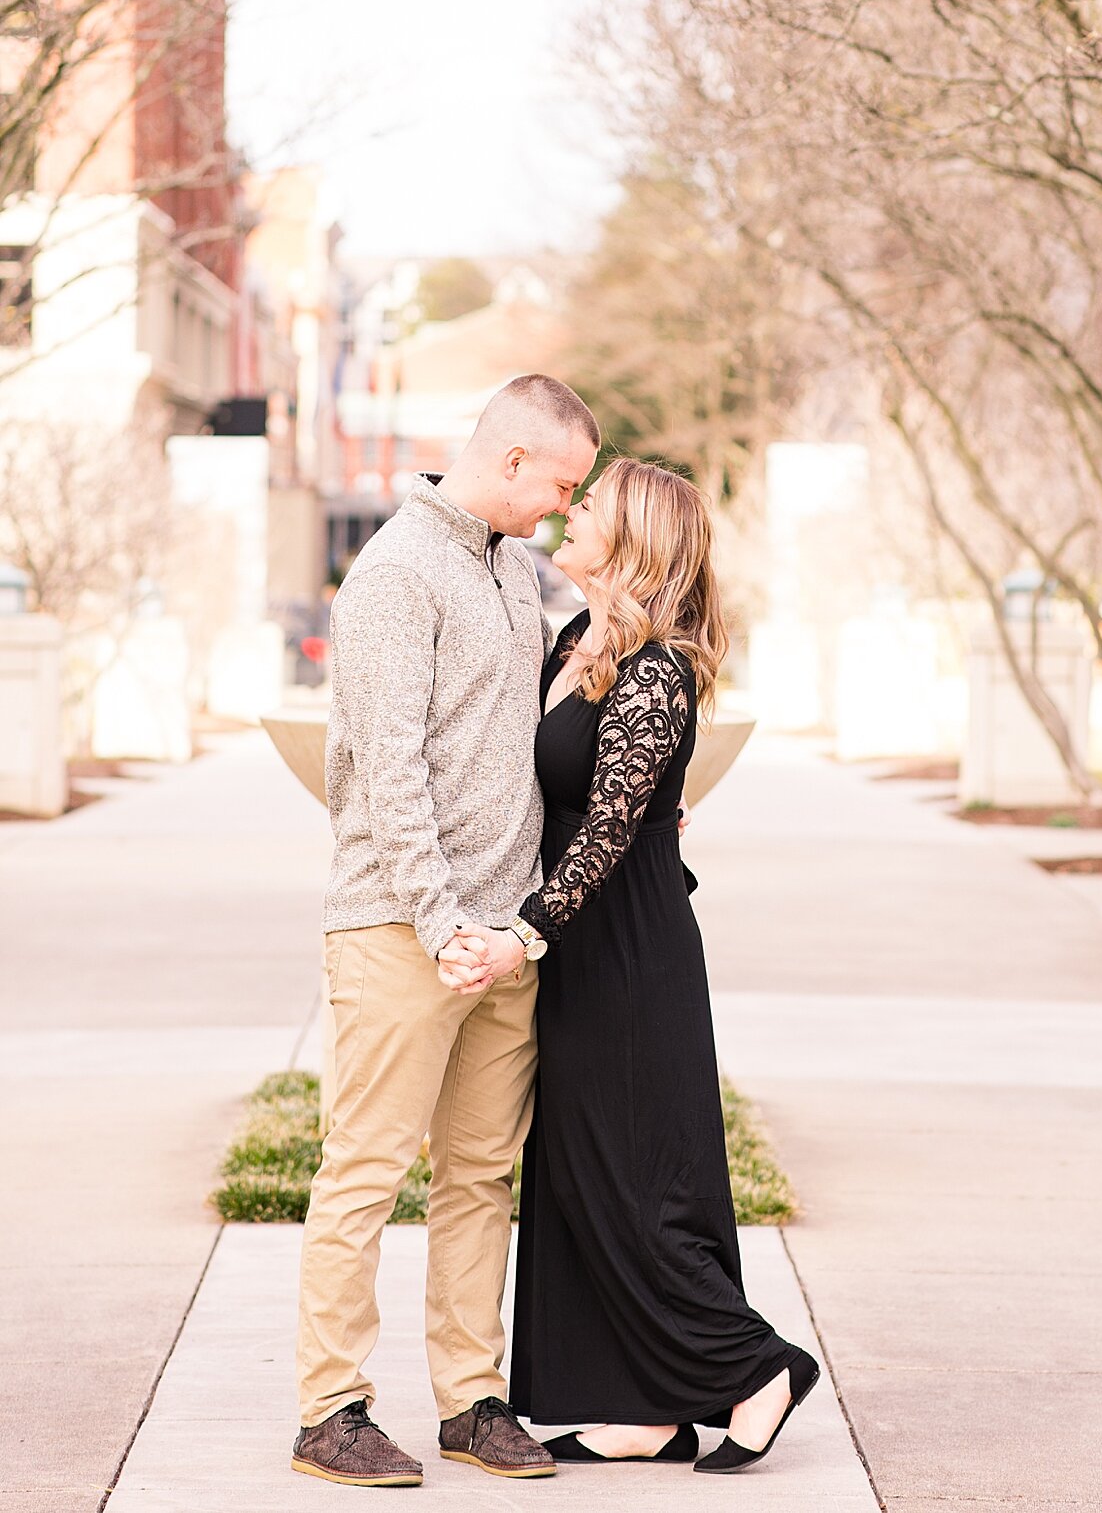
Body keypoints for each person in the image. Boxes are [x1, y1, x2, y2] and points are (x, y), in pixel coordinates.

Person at [440, 457, 820, 1473]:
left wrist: (524, 933)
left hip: (626, 947)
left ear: (635, 542)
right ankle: (634, 1405)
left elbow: (607, 830)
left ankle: (754, 1368)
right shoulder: (578, 642)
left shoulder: (655, 670)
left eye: (591, 505)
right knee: (574, 1175)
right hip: (582, 943)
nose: (571, 511)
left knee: (635, 1177)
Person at [291, 374, 600, 1490]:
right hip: (398, 924)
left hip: (501, 935)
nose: (563, 510)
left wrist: (511, 925)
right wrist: (438, 923)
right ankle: (331, 1409)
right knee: (365, 1171)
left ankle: (472, 1399)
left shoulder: (516, 567)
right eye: (559, 485)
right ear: (512, 459)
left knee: (480, 1178)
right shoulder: (393, 574)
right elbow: (389, 767)